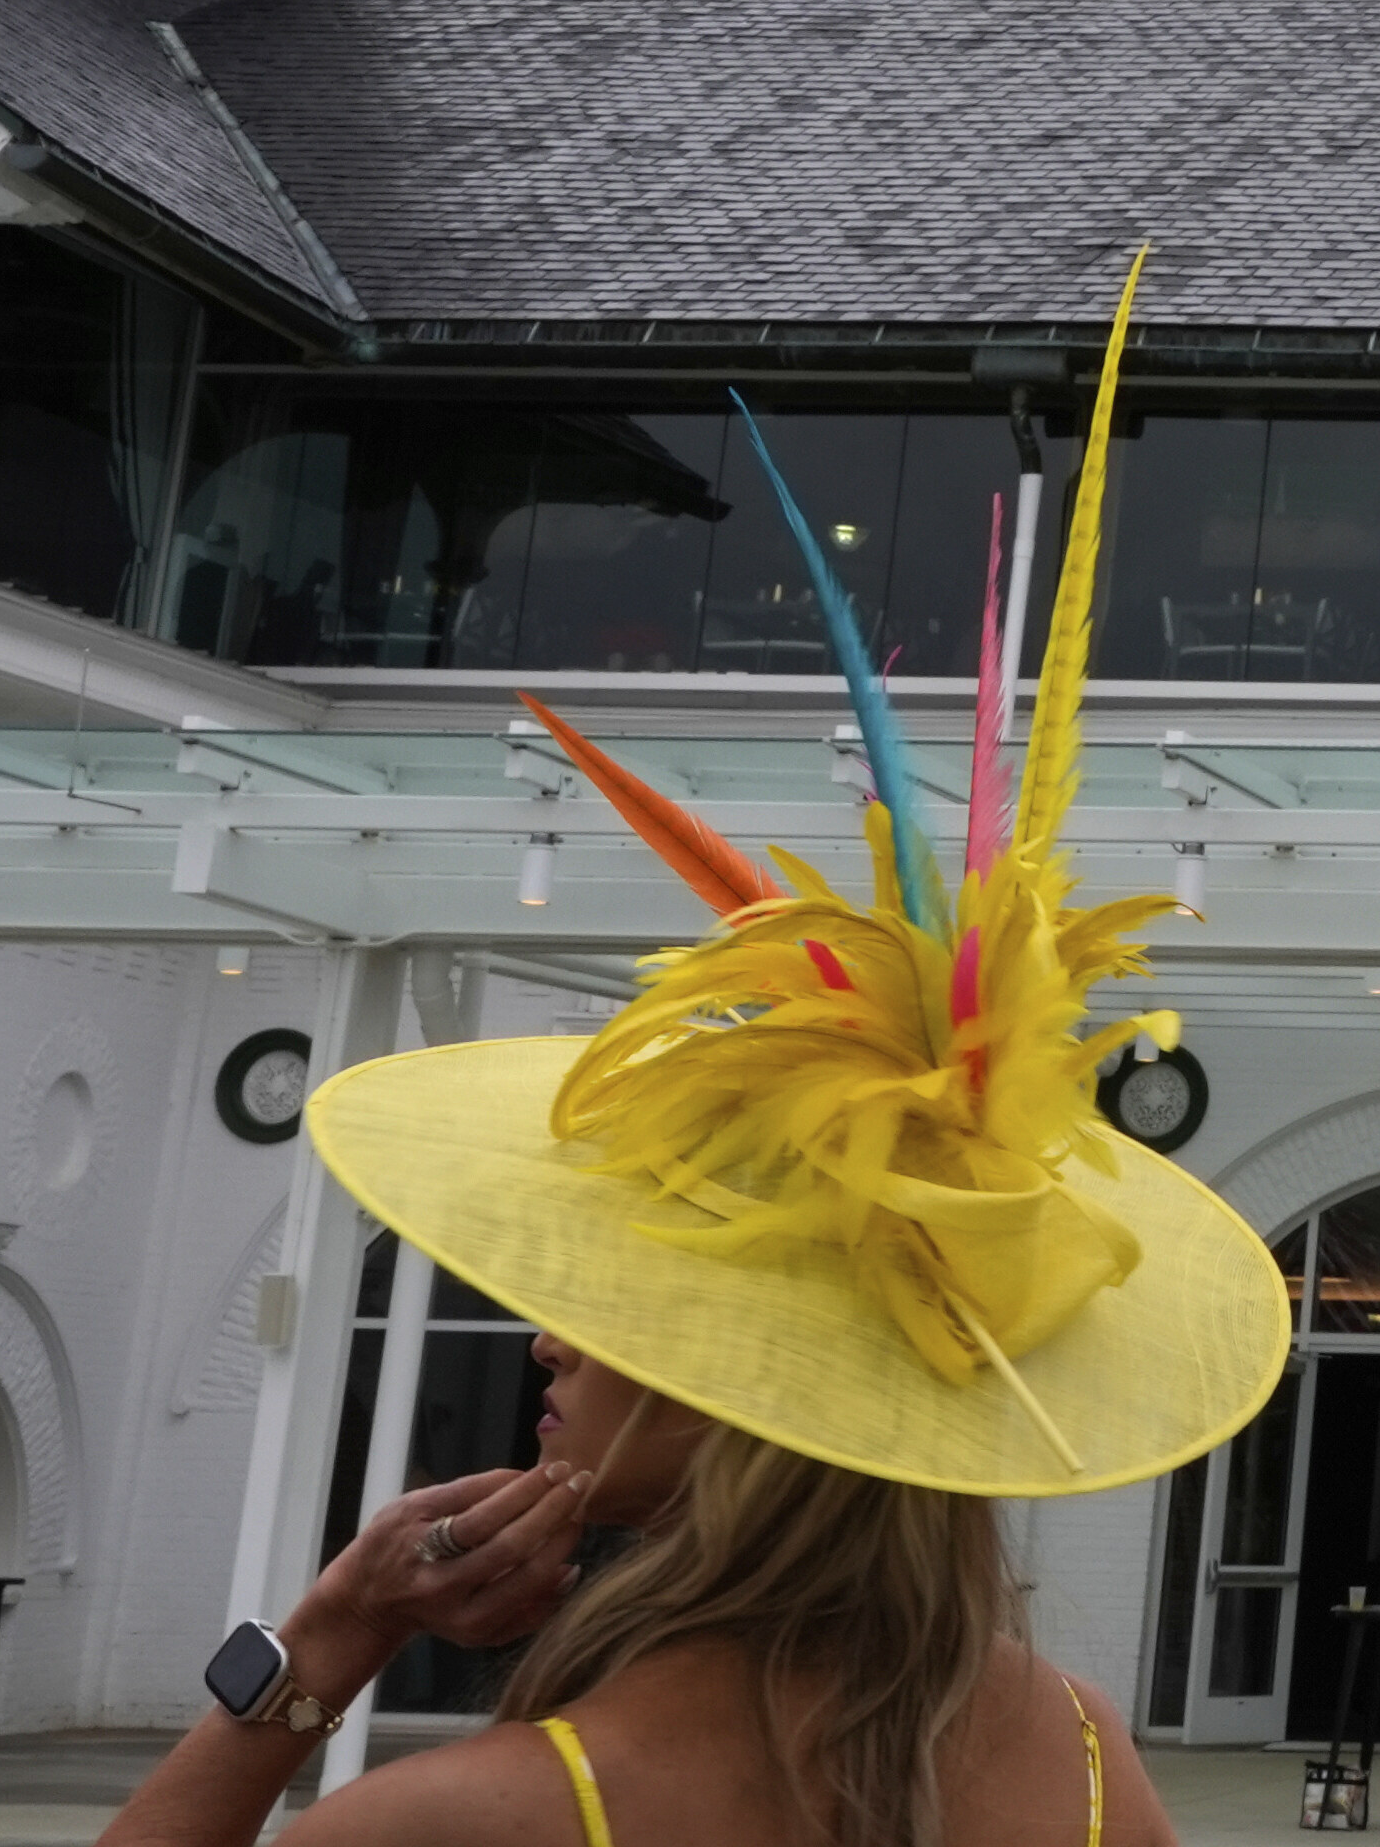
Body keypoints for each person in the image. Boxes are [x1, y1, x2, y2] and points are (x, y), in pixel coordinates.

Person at [97, 272, 1293, 1847]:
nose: (549, 1348)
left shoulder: (483, 1813)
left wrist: (328, 1640)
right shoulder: (1077, 1763)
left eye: (609, 1307)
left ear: (737, 1396)